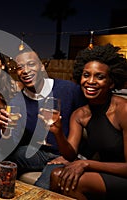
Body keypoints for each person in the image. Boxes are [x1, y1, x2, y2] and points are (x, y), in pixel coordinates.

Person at [0, 48, 86, 188]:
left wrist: (75, 157)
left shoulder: (69, 90)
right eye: (20, 67)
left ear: (42, 66)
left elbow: (90, 123)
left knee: (43, 186)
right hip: (36, 153)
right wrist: (5, 131)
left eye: (31, 64)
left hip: (64, 153)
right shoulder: (17, 101)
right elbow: (9, 143)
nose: (25, 71)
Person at [48, 43, 127, 200]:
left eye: (100, 77)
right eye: (86, 75)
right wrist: (58, 133)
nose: (90, 81)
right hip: (104, 171)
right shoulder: (80, 114)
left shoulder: (123, 110)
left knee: (71, 182)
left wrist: (86, 163)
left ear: (111, 83)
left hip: (123, 174)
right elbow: (70, 155)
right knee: (57, 175)